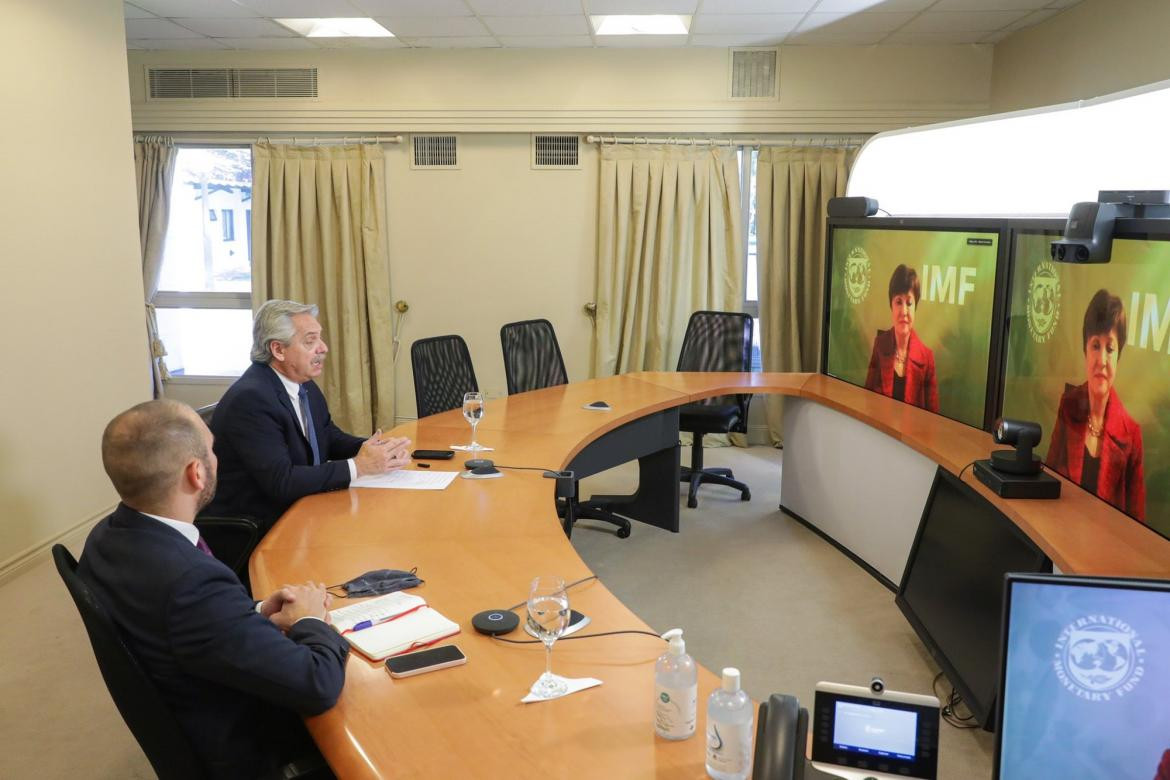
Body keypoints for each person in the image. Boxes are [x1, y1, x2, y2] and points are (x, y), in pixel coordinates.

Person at [78, 400, 349, 779]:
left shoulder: (105, 537)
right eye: (212, 450)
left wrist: (254, 614)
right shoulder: (191, 583)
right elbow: (318, 685)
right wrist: (311, 619)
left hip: (197, 691)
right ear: (196, 473)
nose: (217, 458)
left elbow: (191, 624)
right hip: (247, 745)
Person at [204, 299, 411, 531]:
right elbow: (281, 481)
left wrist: (379, 451)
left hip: (302, 509)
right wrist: (359, 466)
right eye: (310, 341)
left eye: (319, 338)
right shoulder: (251, 400)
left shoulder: (301, 383)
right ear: (278, 350)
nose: (323, 348)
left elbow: (328, 437)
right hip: (260, 527)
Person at [1047, 289, 1145, 521]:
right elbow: (1048, 482)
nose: (1102, 360)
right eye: (1095, 345)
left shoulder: (1132, 435)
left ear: (1119, 356)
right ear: (1085, 351)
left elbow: (1138, 527)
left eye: (1110, 348)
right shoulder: (1069, 405)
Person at [864, 264, 939, 413]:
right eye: (898, 302)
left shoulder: (927, 358)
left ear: (915, 307)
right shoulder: (880, 345)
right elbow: (867, 400)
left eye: (909, 303)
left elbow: (933, 420)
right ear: (891, 306)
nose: (904, 311)